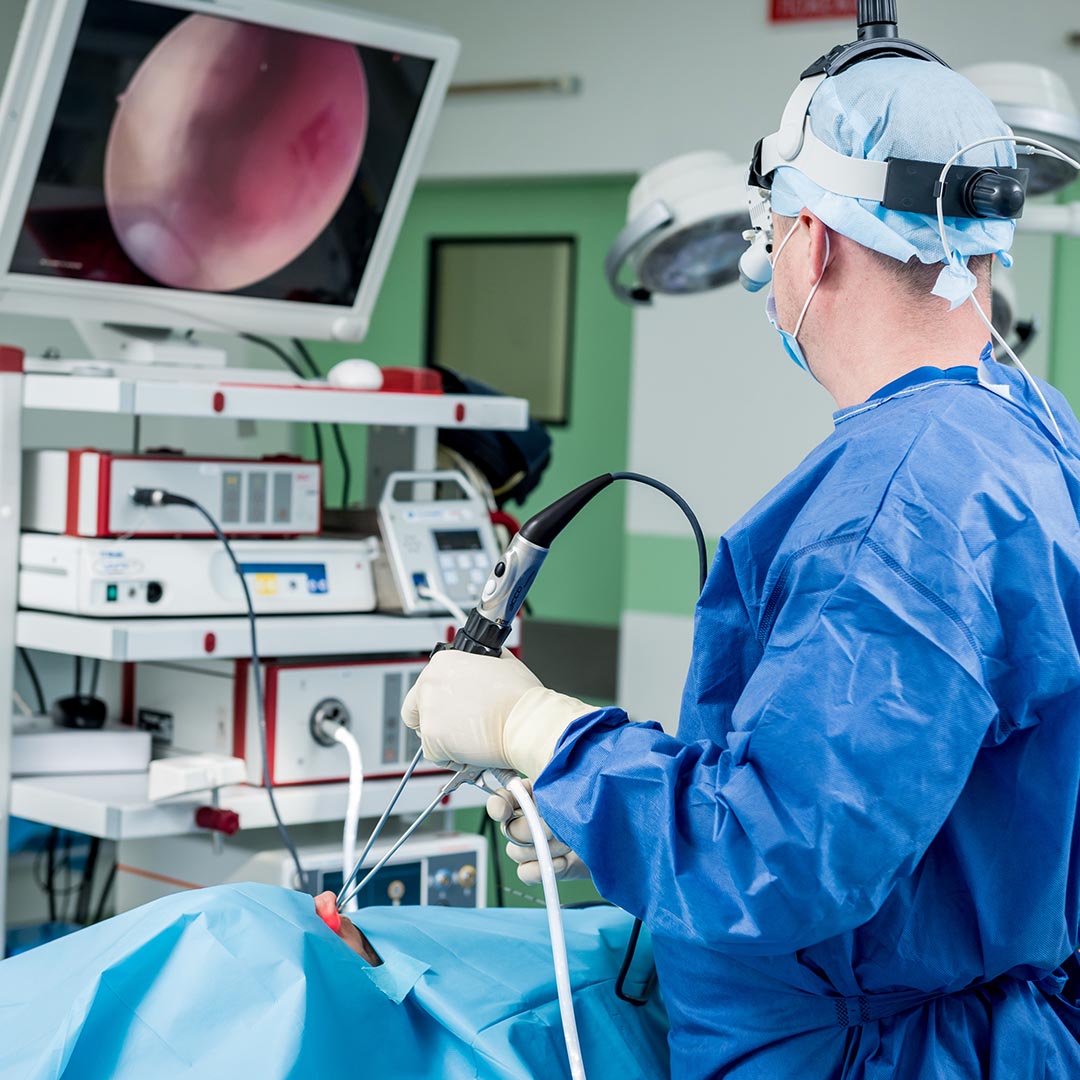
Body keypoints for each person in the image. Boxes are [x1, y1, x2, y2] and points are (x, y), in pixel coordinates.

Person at [401, 54, 1080, 1080]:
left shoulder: (901, 501)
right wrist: (608, 813)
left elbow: (778, 852)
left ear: (809, 237)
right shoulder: (1031, 437)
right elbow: (913, 798)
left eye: (770, 233)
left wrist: (534, 730)